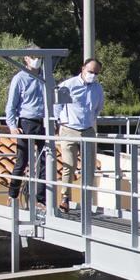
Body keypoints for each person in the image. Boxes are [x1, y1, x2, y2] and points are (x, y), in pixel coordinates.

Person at [54, 58, 104, 214]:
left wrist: (90, 120)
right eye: (90, 72)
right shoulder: (68, 85)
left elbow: (98, 108)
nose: (93, 75)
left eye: (96, 73)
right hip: (68, 129)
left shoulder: (97, 88)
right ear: (82, 68)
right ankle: (65, 198)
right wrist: (59, 123)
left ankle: (86, 200)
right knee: (69, 165)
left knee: (89, 167)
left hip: (88, 129)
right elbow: (57, 106)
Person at [5, 48, 47, 210]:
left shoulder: (45, 77)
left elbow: (54, 100)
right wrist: (13, 127)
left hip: (44, 122)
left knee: (46, 161)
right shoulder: (20, 79)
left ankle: (40, 200)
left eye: (39, 57)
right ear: (26, 59)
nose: (36, 60)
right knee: (22, 161)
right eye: (33, 57)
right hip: (27, 122)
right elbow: (11, 105)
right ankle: (13, 195)